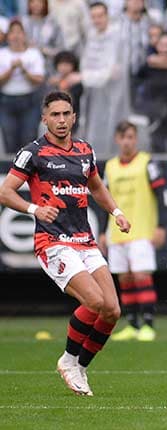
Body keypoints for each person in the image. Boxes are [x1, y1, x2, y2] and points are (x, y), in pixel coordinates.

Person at [0, 91, 131, 396]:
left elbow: (97, 186)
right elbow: (5, 192)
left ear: (74, 117)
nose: (61, 120)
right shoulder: (33, 153)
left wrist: (117, 212)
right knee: (94, 302)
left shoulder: (85, 150)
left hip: (84, 240)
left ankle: (81, 367)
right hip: (53, 241)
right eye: (54, 115)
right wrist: (34, 209)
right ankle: (68, 360)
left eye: (66, 114)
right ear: (44, 118)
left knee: (112, 310)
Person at [100, 121, 166, 342]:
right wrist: (102, 231)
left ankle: (148, 324)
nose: (127, 141)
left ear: (135, 139)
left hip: (142, 230)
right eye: (123, 137)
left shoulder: (147, 163)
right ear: (117, 140)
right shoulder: (110, 166)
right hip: (116, 232)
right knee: (125, 278)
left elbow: (161, 196)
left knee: (141, 275)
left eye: (130, 137)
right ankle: (132, 325)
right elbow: (104, 199)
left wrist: (161, 226)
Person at [78, 2, 130, 158]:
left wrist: (85, 77)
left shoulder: (118, 37)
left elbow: (111, 72)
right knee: (93, 131)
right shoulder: (92, 36)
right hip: (94, 95)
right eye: (93, 17)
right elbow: (85, 64)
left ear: (107, 16)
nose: (97, 20)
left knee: (114, 130)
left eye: (100, 16)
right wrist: (88, 75)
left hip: (114, 95)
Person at [0, 20, 46, 154]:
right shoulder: (2, 54)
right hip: (6, 100)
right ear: (8, 36)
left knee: (29, 136)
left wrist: (23, 69)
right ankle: (12, 171)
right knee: (9, 136)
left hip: (29, 100)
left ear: (24, 35)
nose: (16, 36)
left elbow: (39, 80)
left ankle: (27, 171)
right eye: (12, 32)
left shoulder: (33, 54)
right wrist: (11, 69)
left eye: (19, 32)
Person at [21, 0, 65, 68]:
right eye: (33, 1)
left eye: (39, 2)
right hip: (25, 64)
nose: (36, 4)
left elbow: (61, 49)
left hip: (48, 65)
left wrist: (42, 50)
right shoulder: (22, 22)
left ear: (45, 4)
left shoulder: (52, 23)